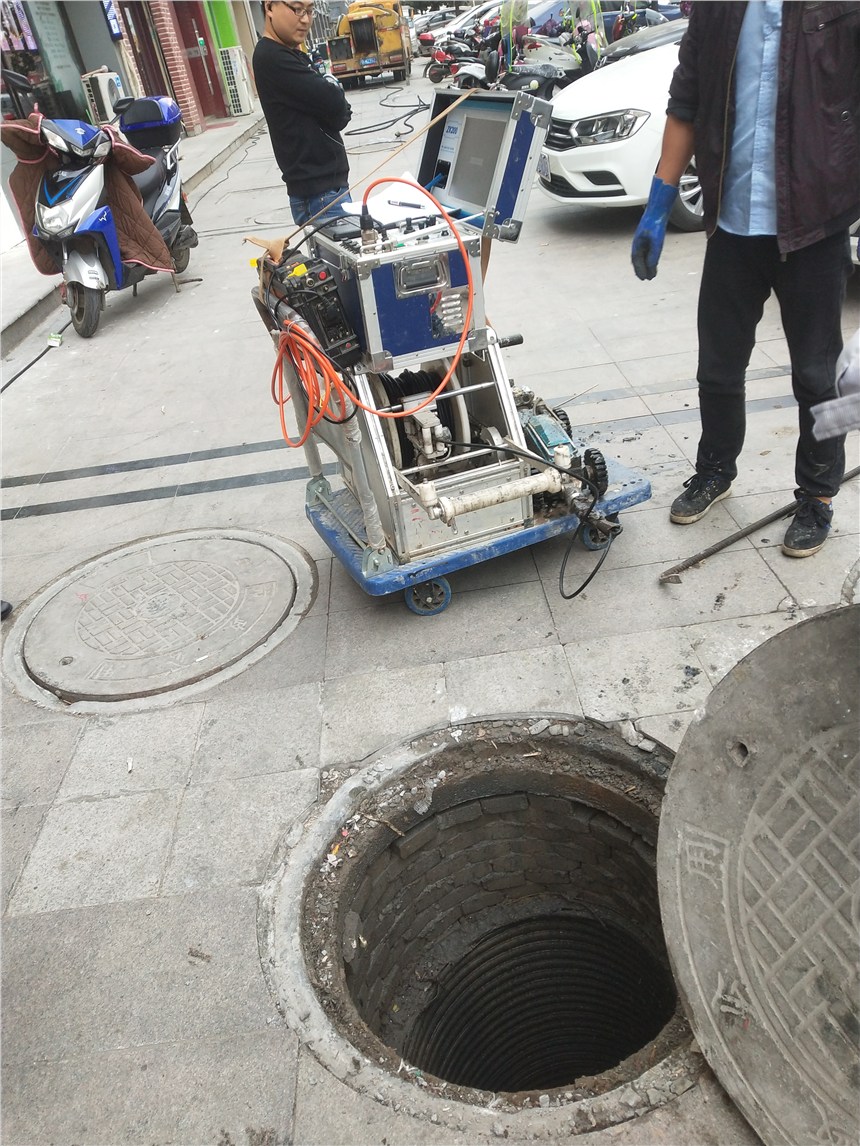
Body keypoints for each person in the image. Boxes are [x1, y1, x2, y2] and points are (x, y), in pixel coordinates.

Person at [631, 1, 860, 558]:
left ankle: (819, 496)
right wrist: (660, 201)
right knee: (717, 366)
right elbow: (685, 99)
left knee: (818, 375)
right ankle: (714, 470)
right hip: (733, 223)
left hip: (815, 225)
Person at [253, 1, 353, 226]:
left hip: (326, 193)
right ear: (269, 8)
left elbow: (337, 111)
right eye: (297, 9)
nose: (305, 19)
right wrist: (334, 94)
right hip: (320, 198)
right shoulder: (273, 57)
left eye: (310, 11)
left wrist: (333, 96)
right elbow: (336, 106)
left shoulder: (291, 54)